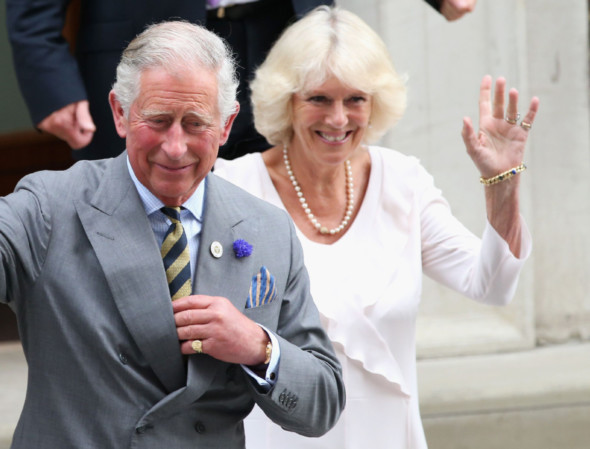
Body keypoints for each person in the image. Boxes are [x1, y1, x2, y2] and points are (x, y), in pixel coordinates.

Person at [0, 18, 345, 448]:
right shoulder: (51, 204)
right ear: (119, 112)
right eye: (157, 120)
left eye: (195, 124)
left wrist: (258, 347)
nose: (175, 147)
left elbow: (321, 403)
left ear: (226, 126)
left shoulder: (266, 229)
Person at [214, 5, 537, 448]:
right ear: (286, 99)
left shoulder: (402, 183)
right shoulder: (231, 188)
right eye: (319, 98)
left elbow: (492, 284)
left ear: (376, 102)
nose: (338, 119)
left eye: (355, 100)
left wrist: (503, 183)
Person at [6, 0, 476, 161]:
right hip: (155, 51)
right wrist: (48, 75)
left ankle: (276, 377)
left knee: (283, 231)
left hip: (284, 36)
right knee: (144, 234)